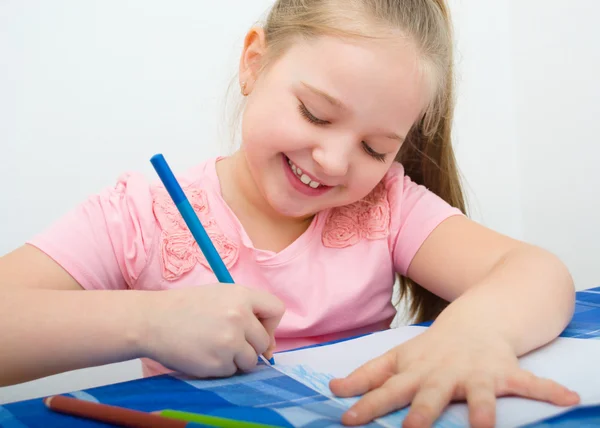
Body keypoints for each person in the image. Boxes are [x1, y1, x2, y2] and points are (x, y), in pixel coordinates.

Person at [0, 0, 580, 427]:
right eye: (316, 115)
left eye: (375, 149)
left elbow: (535, 272)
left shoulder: (386, 206)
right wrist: (147, 322)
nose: (332, 160)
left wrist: (474, 334)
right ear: (254, 63)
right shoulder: (142, 214)